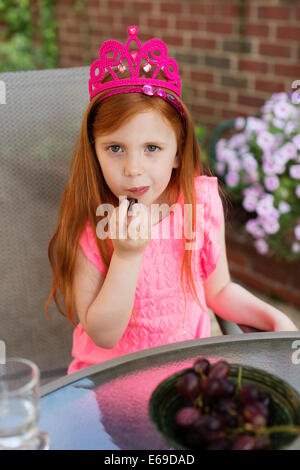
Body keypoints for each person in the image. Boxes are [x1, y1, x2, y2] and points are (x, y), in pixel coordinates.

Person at [46, 26, 298, 375]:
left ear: (177, 153)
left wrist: (274, 317)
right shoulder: (94, 222)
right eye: (115, 148)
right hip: (111, 384)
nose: (133, 169)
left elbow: (218, 289)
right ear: (95, 151)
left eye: (152, 148)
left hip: (184, 376)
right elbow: (102, 335)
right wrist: (127, 254)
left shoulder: (199, 203)